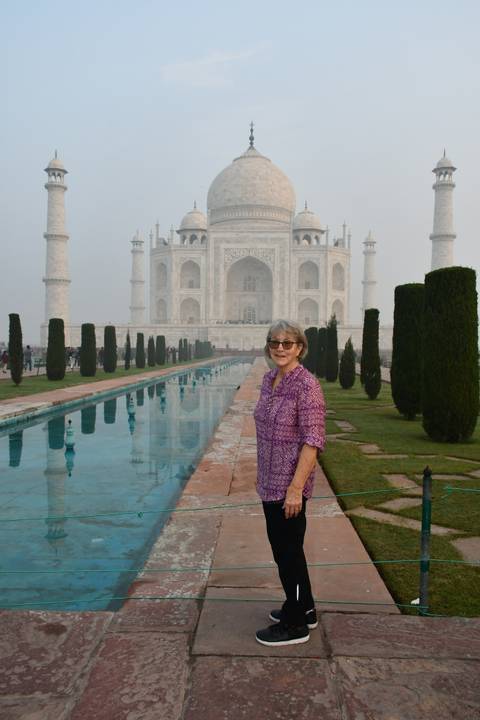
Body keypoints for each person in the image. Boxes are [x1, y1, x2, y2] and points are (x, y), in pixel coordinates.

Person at [254, 319, 326, 647]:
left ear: (299, 347)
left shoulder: (305, 385)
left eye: (287, 343)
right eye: (275, 342)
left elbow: (313, 440)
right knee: (288, 552)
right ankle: (304, 607)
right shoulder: (270, 379)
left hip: (288, 486)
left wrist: (296, 488)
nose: (280, 348)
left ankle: (296, 624)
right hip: (269, 480)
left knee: (288, 555)